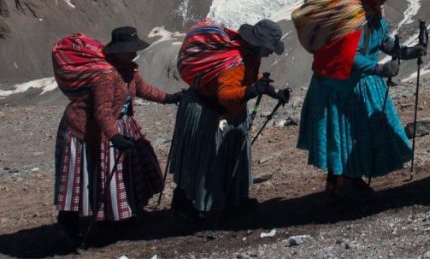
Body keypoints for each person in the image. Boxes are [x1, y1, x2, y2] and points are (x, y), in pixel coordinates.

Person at [296, 0, 425, 200]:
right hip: (342, 86)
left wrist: (405, 52)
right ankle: (346, 182)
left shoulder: (373, 11)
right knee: (350, 132)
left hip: (350, 82)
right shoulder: (353, 14)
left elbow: (381, 39)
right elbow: (350, 56)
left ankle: (339, 182)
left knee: (347, 133)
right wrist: (379, 69)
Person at [53, 26, 181, 245]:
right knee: (81, 178)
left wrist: (169, 98)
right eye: (129, 50)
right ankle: (70, 226)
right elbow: (102, 112)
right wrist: (113, 137)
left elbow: (142, 90)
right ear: (116, 50)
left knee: (117, 172)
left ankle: (116, 217)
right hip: (84, 131)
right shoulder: (105, 75)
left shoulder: (128, 69)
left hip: (115, 125)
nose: (133, 54)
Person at [168, 18, 288, 220]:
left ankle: (231, 201)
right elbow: (225, 96)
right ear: (258, 44)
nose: (270, 53)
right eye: (269, 48)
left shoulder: (248, 54)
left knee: (226, 157)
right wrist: (251, 91)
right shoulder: (235, 62)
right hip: (210, 111)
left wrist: (271, 90)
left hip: (223, 112)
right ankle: (190, 205)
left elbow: (249, 76)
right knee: (204, 159)